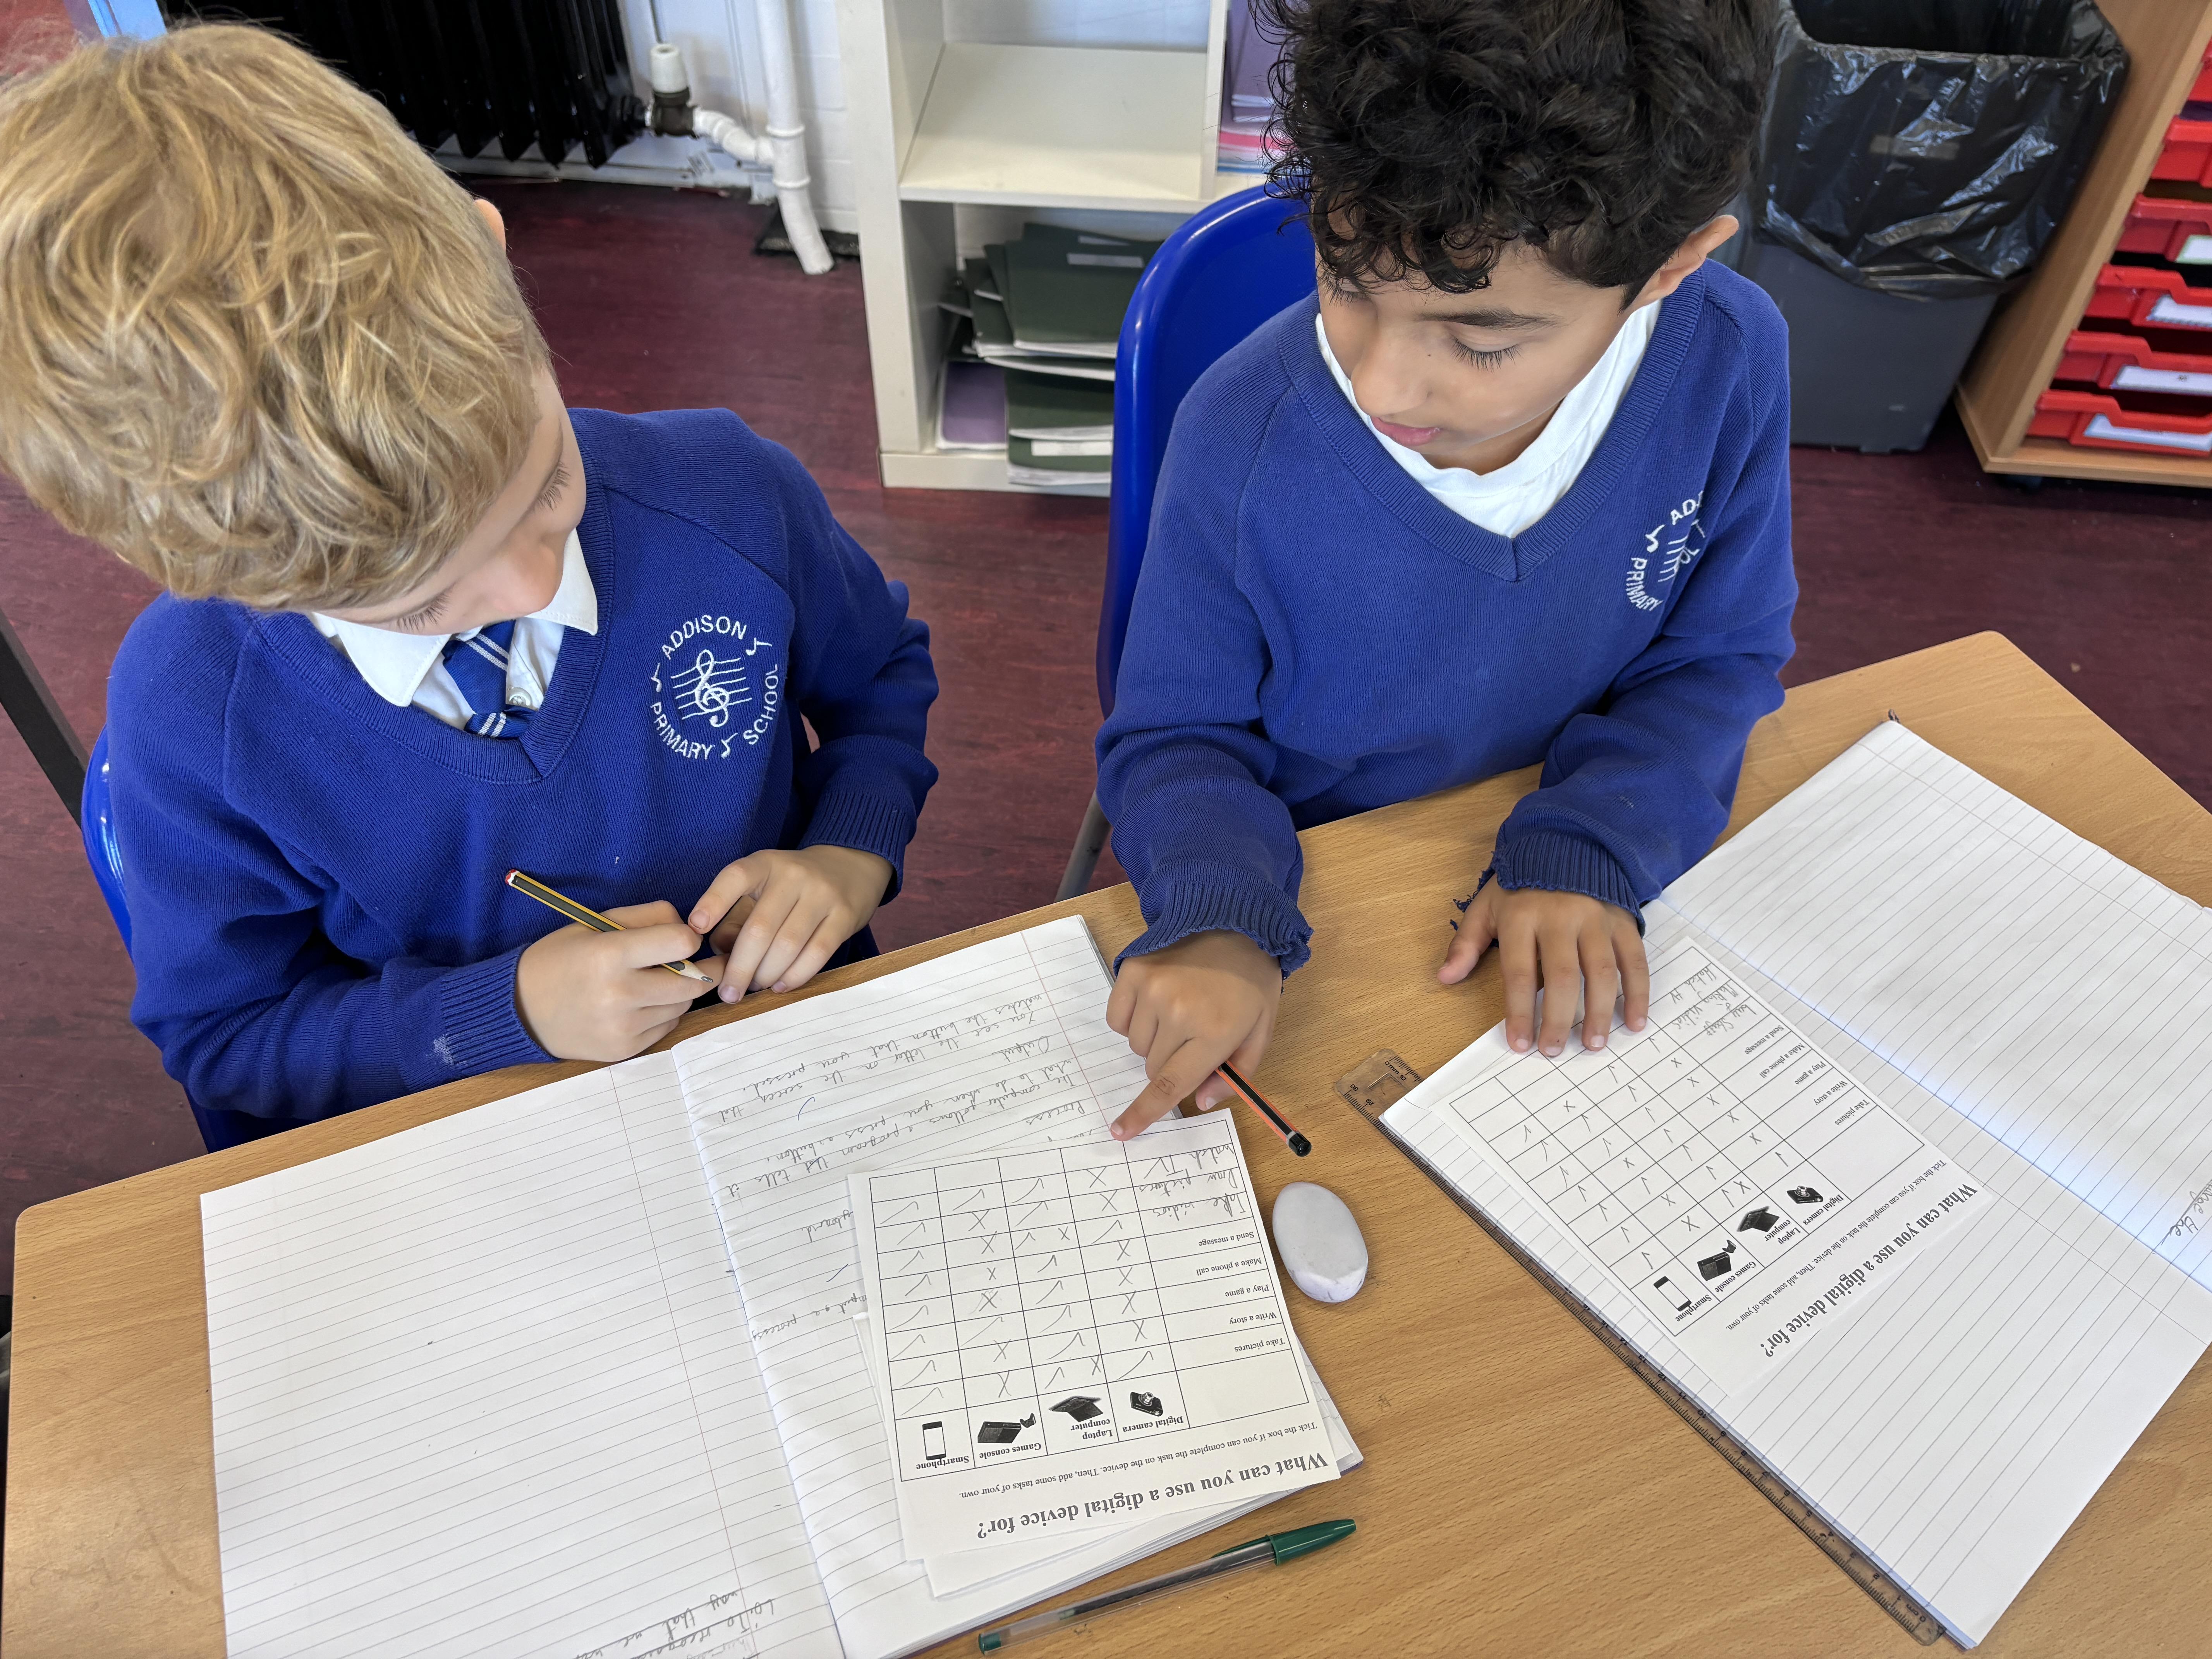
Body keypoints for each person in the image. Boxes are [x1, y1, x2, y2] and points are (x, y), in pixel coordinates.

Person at [0, 26, 938, 1125]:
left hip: (789, 1067)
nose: (538, 588)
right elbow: (230, 1040)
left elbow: (879, 681)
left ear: (492, 253)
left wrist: (848, 850)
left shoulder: (726, 494)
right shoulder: (196, 713)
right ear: (231, 579)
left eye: (546, 485)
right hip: (483, 1145)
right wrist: (504, 1013)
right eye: (425, 605)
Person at [1096, 0, 1795, 1136]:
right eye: (1345, 277)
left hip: (1555, 853)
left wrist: (1592, 838)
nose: (1381, 387)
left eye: (1480, 342)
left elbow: (1718, 657)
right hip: (1322, 877)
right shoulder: (1240, 432)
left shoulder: (1729, 359)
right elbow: (1179, 733)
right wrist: (1219, 913)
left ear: (1669, 268)